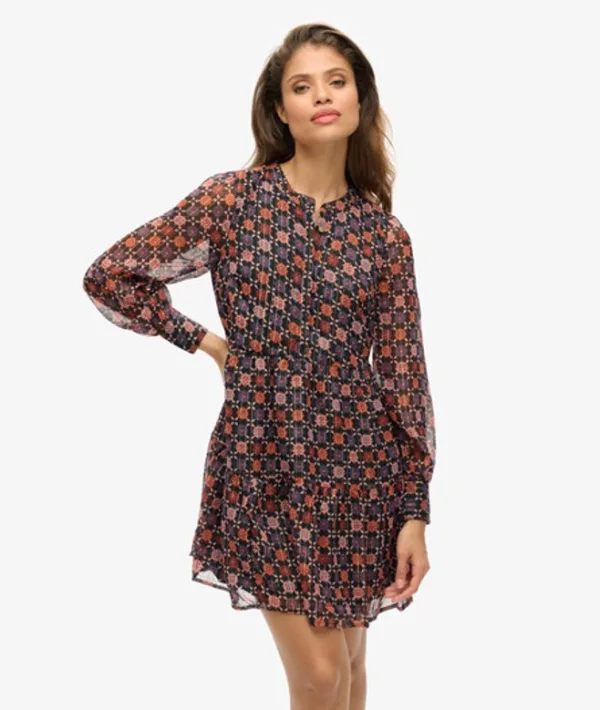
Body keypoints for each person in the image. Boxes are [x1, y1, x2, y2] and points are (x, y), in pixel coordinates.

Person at [82, 22, 436, 710]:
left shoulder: (385, 237)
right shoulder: (233, 201)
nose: (322, 96)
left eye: (337, 81)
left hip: (360, 472)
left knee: (351, 671)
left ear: (360, 99)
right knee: (321, 676)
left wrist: (414, 509)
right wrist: (208, 344)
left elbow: (404, 377)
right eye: (302, 86)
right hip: (264, 460)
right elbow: (111, 275)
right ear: (280, 109)